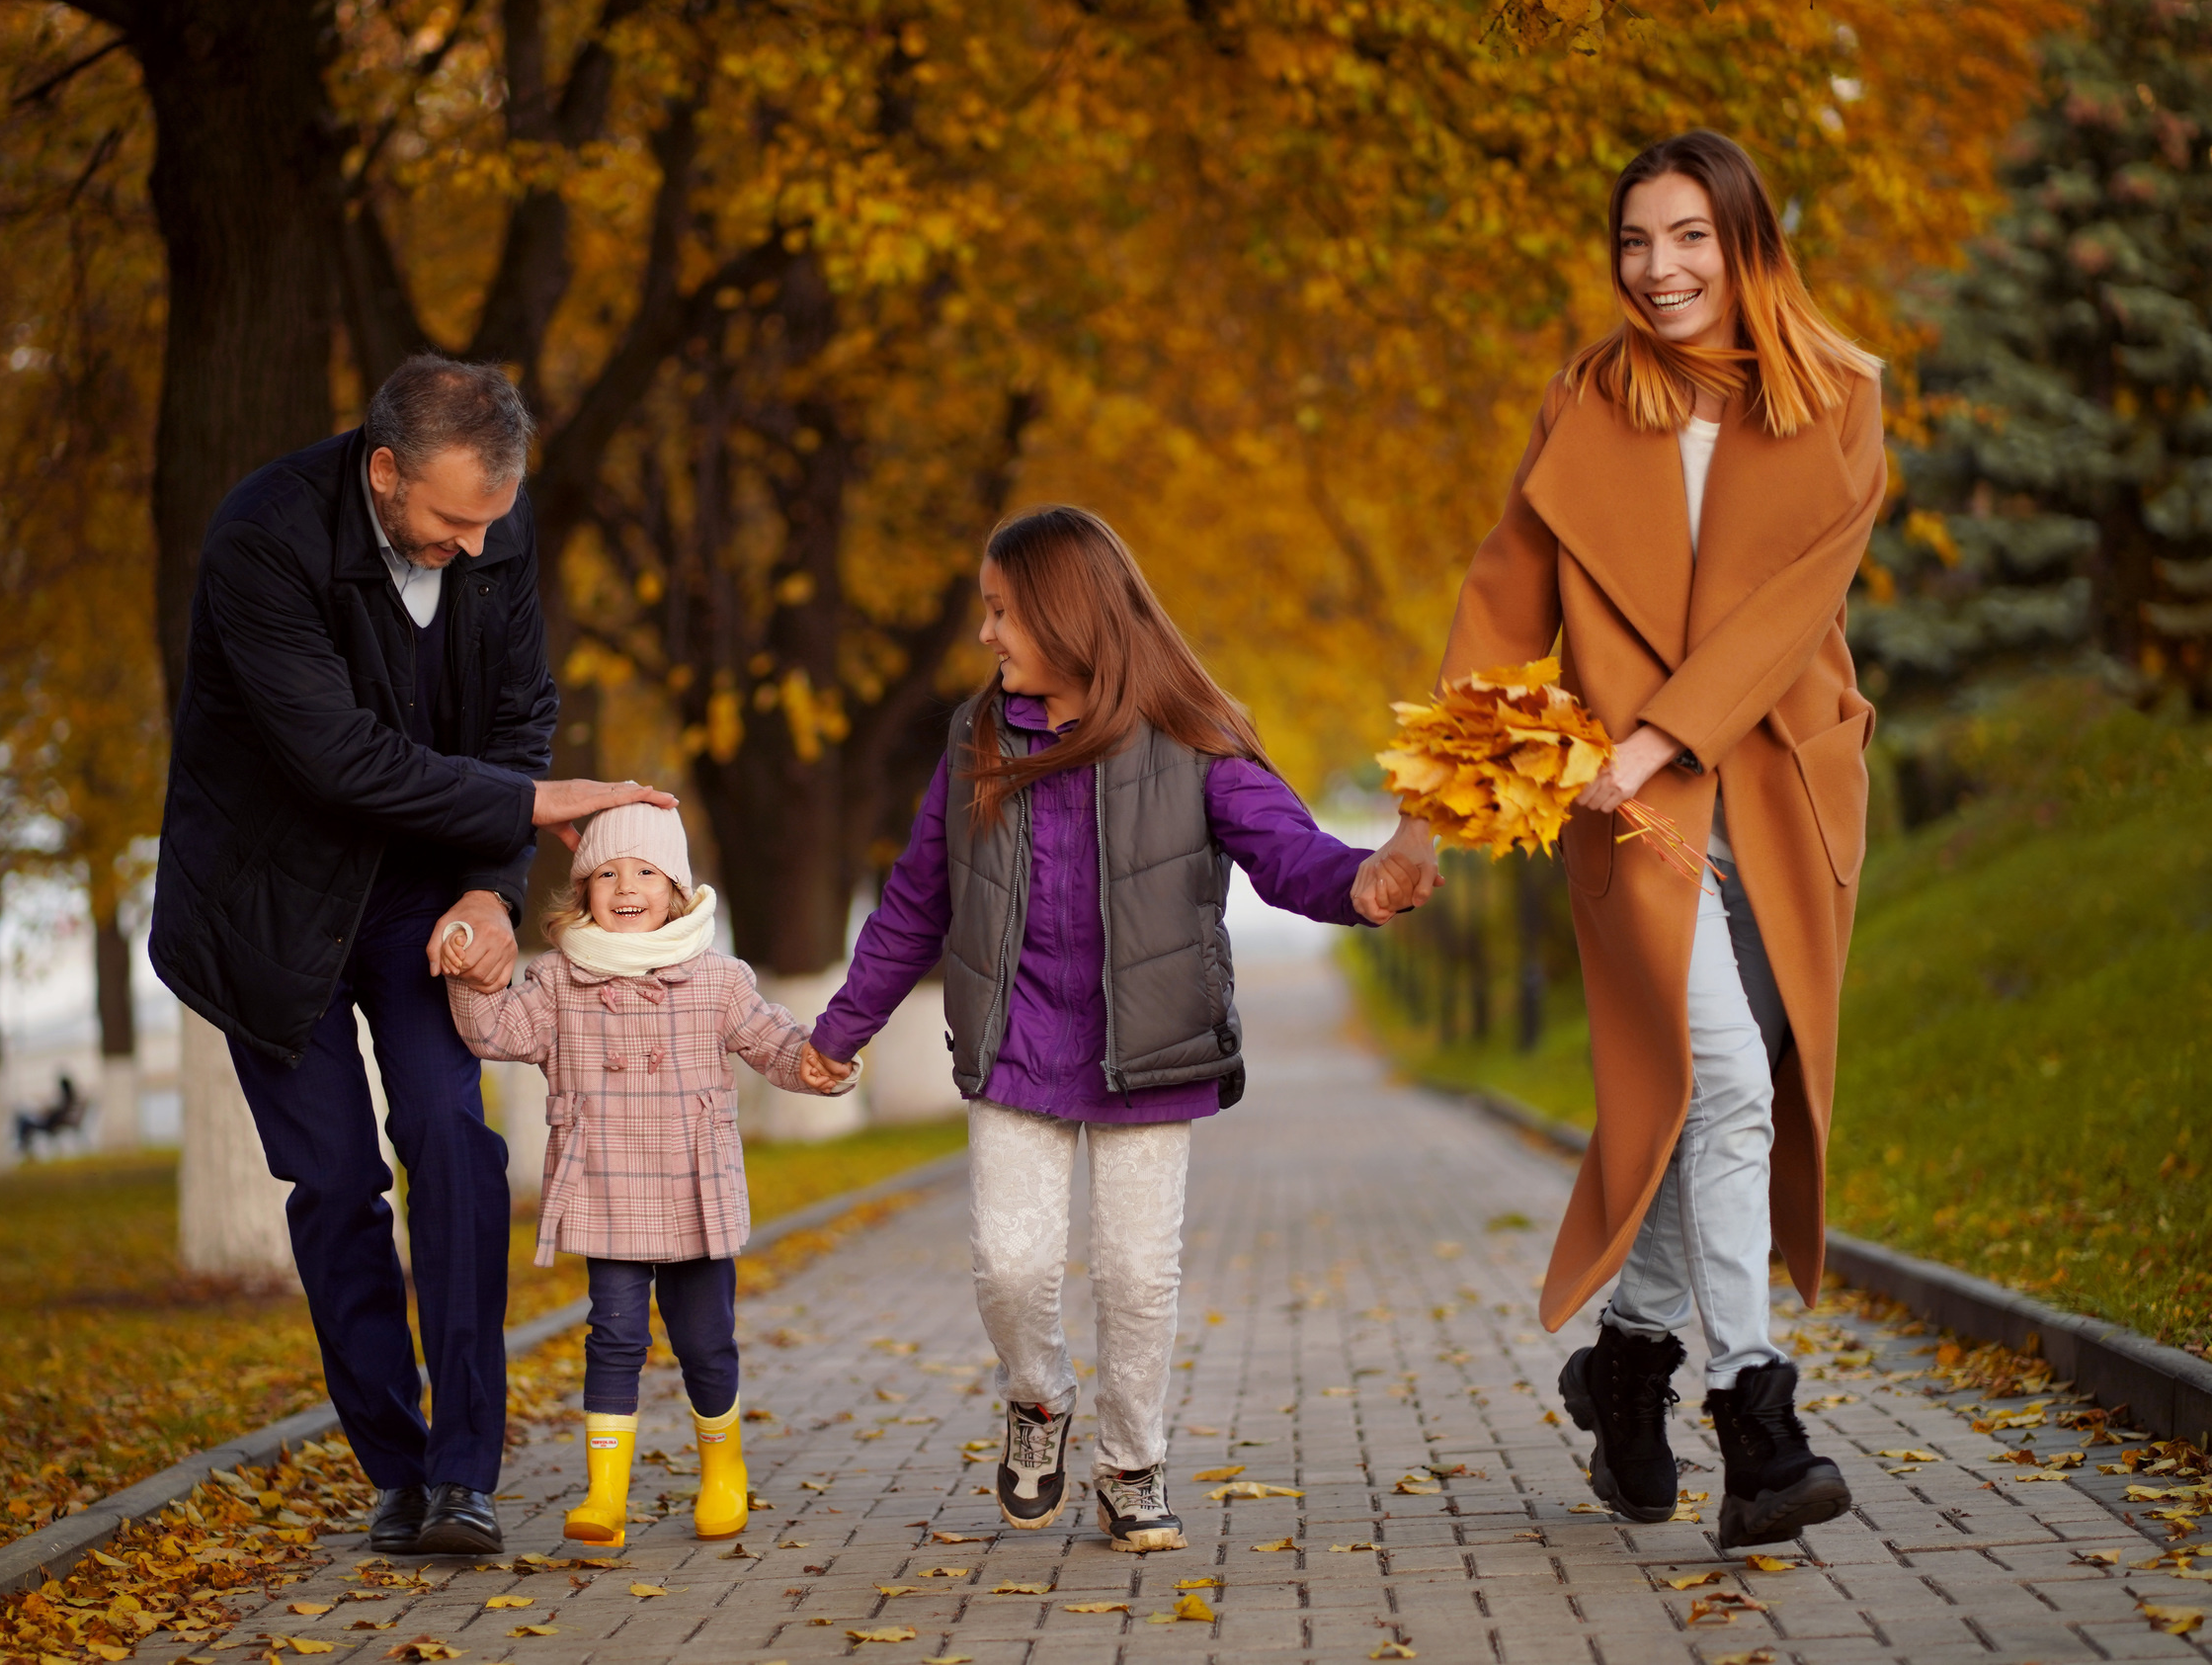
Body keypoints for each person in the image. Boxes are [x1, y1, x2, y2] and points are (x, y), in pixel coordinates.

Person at [1367, 130, 1883, 1550]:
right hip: (1634, 813)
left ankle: (1626, 1367)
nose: (1658, 271)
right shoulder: (1586, 402)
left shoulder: (1842, 399)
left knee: (1706, 1091)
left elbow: (1791, 607)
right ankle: (1758, 1422)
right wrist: (1430, 810)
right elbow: (1500, 604)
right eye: (1635, 244)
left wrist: (1651, 734)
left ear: (1744, 241)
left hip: (1778, 788)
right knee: (1717, 1079)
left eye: (1688, 238)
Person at [794, 506, 1414, 1553]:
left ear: (1066, 613)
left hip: (1151, 1049)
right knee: (1011, 1265)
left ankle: (1132, 1466)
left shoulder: (1192, 733)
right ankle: (1037, 1398)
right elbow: (916, 897)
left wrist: (1363, 883)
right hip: (1017, 1041)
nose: (985, 634)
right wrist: (844, 1027)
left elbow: (1289, 851)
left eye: (1000, 611)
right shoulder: (978, 736)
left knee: (1134, 1276)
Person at [149, 353, 675, 1556]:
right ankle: (392, 1463)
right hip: (268, 908)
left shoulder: (495, 524)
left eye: (489, 521)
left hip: (422, 897)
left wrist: (493, 893)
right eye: (448, 522)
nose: (472, 548)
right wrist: (534, 806)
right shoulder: (263, 539)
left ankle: (464, 1474)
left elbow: (517, 711)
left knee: (453, 1140)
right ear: (384, 473)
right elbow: (332, 756)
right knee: (335, 1186)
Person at [443, 801, 855, 1548]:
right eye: (605, 872)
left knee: (706, 1338)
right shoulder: (558, 982)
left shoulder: (716, 980)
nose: (624, 885)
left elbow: (772, 1043)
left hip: (694, 1189)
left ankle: (723, 1467)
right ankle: (605, 1496)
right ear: (582, 891)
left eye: (644, 871)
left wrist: (820, 1063)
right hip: (608, 1185)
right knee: (615, 1333)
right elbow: (495, 1031)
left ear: (675, 888)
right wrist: (470, 971)